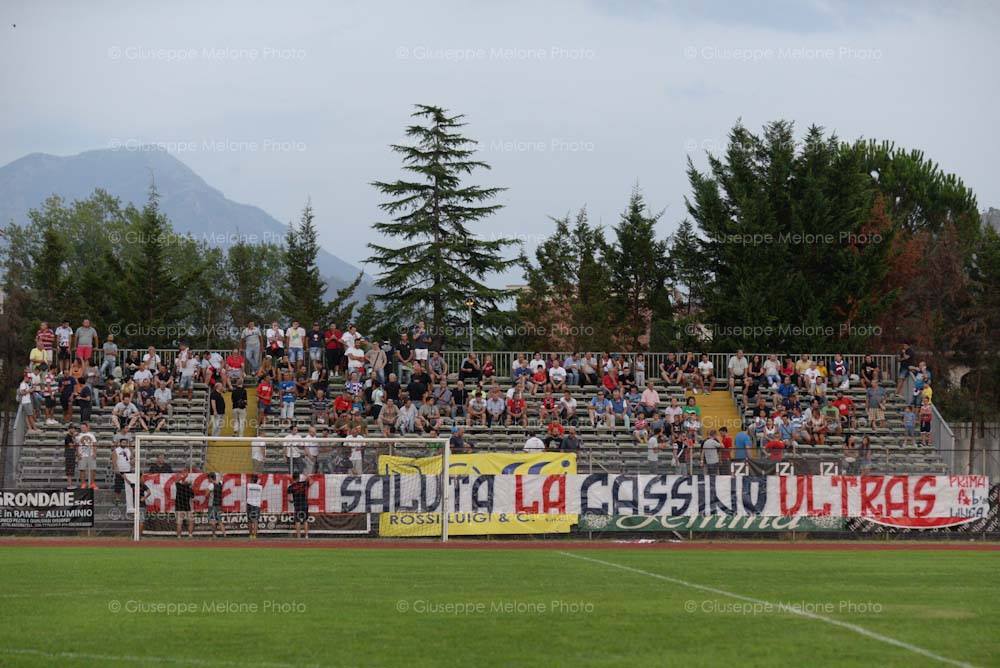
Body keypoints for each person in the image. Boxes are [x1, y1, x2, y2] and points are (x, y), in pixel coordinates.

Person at [287, 473, 310, 539]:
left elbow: (289, 499)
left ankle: (298, 536)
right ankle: (306, 536)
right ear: (299, 478)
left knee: (297, 520)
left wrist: (292, 501)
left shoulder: (290, 487)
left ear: (293, 478)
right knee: (305, 520)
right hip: (304, 504)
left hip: (297, 505)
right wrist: (306, 475)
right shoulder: (303, 484)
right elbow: (311, 481)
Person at [76, 422, 97, 489]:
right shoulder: (78, 436)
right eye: (81, 427)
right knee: (82, 469)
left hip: (90, 454)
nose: (83, 429)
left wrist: (94, 453)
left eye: (84, 427)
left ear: (87, 427)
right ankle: (83, 484)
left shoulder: (91, 435)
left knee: (93, 469)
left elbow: (94, 444)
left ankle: (92, 483)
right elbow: (76, 446)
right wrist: (78, 454)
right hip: (82, 455)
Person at [174, 471, 195, 538]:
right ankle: (190, 535)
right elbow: (192, 497)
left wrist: (184, 476)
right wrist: (191, 486)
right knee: (191, 522)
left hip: (179, 507)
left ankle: (179, 536)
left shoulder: (179, 487)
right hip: (187, 508)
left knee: (179, 523)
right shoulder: (189, 489)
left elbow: (176, 481)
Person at [112, 434, 132, 505]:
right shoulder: (116, 450)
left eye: (125, 443)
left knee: (129, 486)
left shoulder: (128, 450)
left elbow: (130, 459)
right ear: (120, 443)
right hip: (120, 470)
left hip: (128, 470)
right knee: (118, 486)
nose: (124, 444)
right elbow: (114, 461)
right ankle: (117, 500)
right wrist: (116, 469)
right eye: (123, 442)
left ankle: (129, 500)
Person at [207, 472, 226, 538]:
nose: (208, 480)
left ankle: (214, 535)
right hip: (218, 505)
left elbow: (206, 494)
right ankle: (224, 534)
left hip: (212, 505)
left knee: (213, 520)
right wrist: (221, 476)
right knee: (219, 520)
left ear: (210, 478)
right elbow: (221, 480)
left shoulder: (211, 485)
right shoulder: (220, 484)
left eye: (208, 478)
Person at [245, 474, 263, 540]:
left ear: (252, 479)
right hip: (257, 505)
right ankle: (254, 536)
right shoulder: (260, 487)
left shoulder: (248, 485)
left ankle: (250, 535)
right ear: (257, 480)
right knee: (255, 521)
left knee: (249, 520)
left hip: (249, 503)